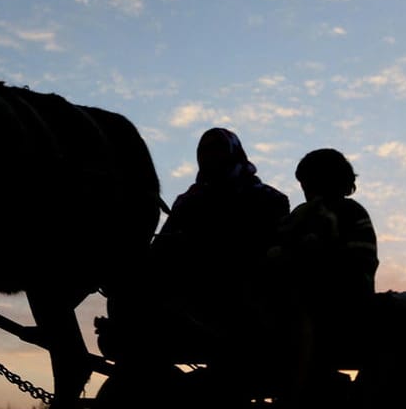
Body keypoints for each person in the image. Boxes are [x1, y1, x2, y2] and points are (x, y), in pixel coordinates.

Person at [149, 128, 290, 340]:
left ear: (233, 152)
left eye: (217, 149)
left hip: (246, 294)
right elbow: (161, 249)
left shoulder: (268, 198)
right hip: (190, 291)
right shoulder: (188, 200)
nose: (209, 156)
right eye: (204, 150)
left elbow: (273, 252)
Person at [270, 148, 379, 372]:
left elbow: (358, 267)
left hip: (340, 307)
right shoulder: (300, 214)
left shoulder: (350, 212)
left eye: (310, 181)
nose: (306, 189)